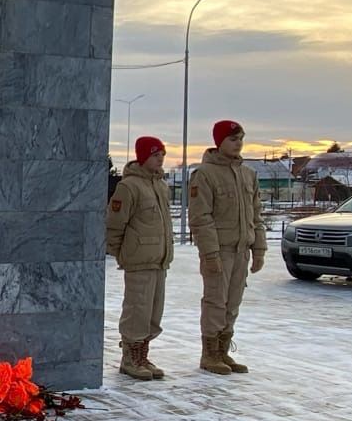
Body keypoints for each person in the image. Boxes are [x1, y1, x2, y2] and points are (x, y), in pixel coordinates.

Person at [187, 120, 266, 374]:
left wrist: (259, 249)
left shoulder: (248, 174)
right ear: (219, 142)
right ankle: (209, 354)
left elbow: (256, 214)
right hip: (219, 250)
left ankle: (222, 351)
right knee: (215, 302)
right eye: (233, 139)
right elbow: (201, 218)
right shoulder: (205, 174)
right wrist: (210, 253)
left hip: (241, 249)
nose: (238, 143)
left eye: (241, 138)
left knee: (233, 303)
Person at [106, 135, 173, 379]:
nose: (160, 160)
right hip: (138, 259)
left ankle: (143, 354)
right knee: (138, 309)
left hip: (159, 259)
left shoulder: (161, 186)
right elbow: (115, 223)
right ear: (143, 157)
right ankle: (130, 357)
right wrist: (118, 250)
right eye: (156, 155)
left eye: (162, 155)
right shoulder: (129, 186)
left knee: (154, 311)